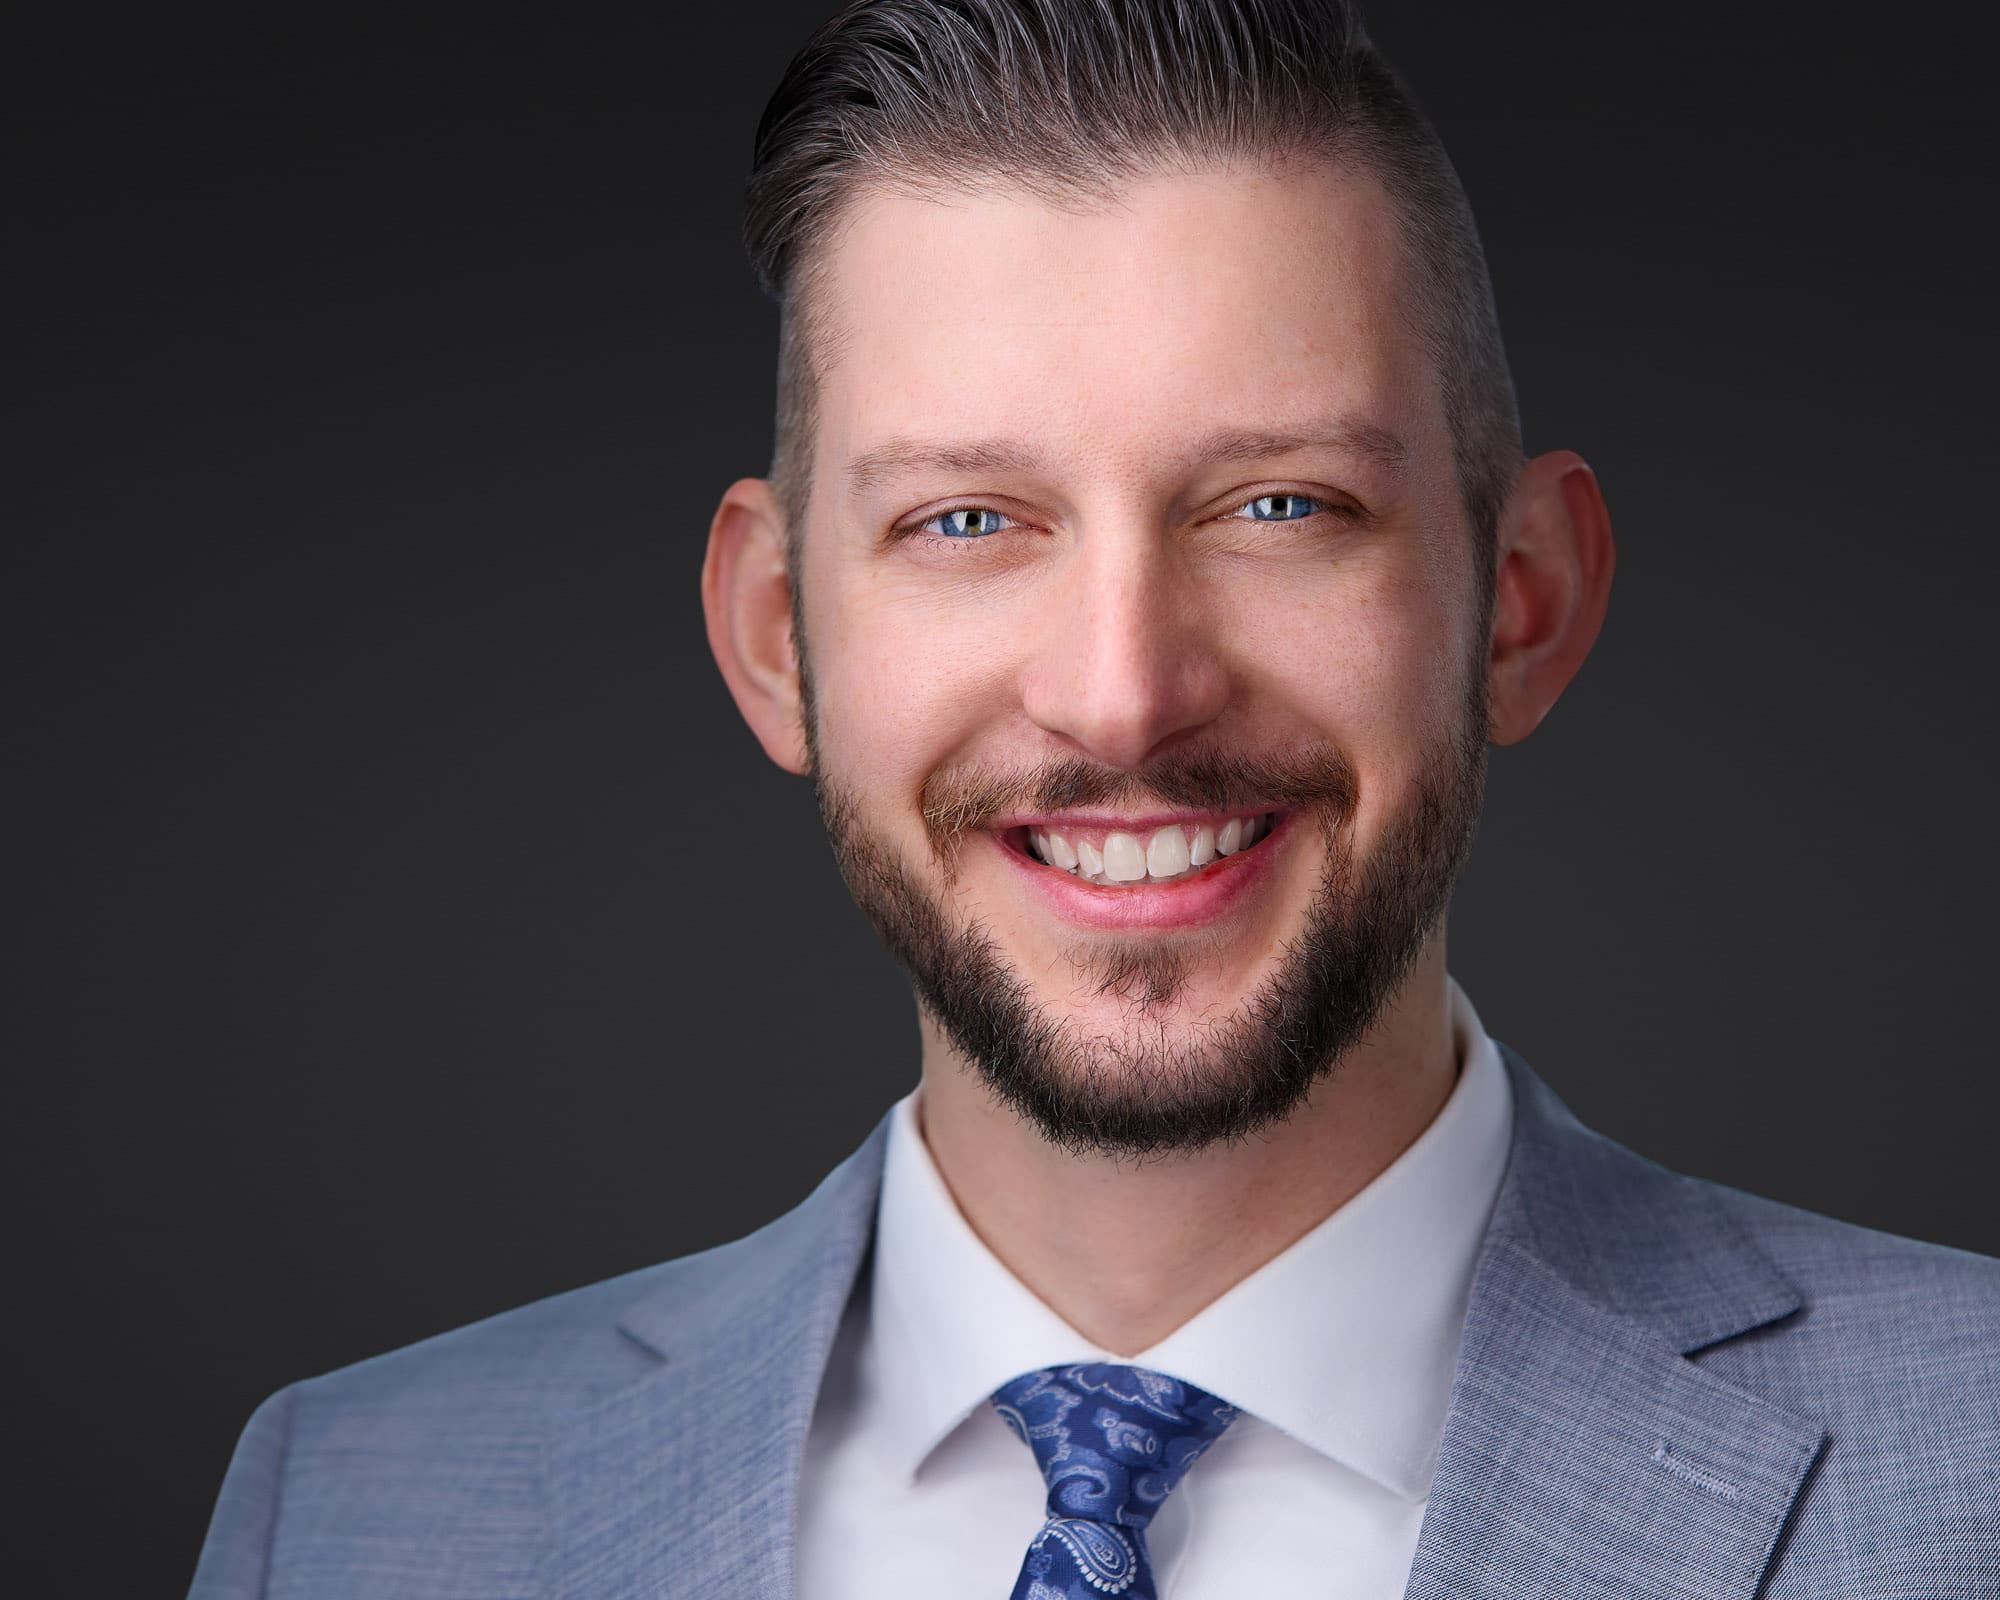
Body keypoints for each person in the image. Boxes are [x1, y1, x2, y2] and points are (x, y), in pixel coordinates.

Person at [189, 1, 2000, 1594]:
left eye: (1279, 505)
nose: (1125, 692)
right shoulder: (343, 1515)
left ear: (1522, 600)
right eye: (967, 522)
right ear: (773, 638)